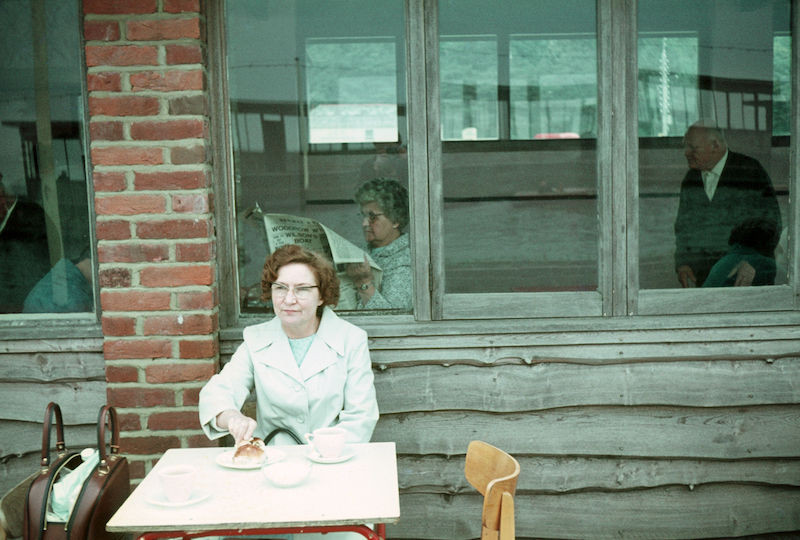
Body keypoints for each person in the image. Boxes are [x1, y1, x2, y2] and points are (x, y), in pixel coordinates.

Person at [198, 244, 379, 447]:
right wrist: (232, 417)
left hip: (330, 460)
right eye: (281, 288)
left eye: (302, 289)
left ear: (321, 296)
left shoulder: (351, 340)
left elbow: (361, 416)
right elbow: (219, 391)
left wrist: (322, 453)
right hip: (273, 463)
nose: (289, 299)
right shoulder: (256, 339)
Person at [674, 120, 782, 288]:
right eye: (685, 147)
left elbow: (772, 223)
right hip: (706, 276)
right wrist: (683, 262)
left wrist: (754, 261)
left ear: (715, 145)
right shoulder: (691, 179)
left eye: (693, 148)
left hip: (746, 275)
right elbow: (683, 227)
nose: (686, 153)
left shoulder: (749, 171)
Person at [347, 178, 412, 310]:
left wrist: (364, 283)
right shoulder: (363, 250)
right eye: (363, 215)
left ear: (396, 220)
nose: (364, 223)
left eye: (373, 217)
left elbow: (391, 318)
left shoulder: (405, 260)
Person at [703, 217, 780, 288]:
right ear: (767, 243)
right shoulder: (766, 265)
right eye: (776, 243)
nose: (780, 250)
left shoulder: (720, 265)